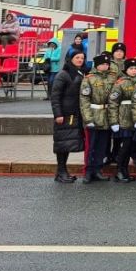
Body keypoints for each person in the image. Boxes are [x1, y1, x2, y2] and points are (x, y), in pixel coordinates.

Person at [51, 49, 86, 183]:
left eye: (82, 58)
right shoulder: (63, 74)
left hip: (75, 114)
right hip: (64, 115)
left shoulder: (80, 73)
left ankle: (62, 171)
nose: (80, 60)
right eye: (77, 57)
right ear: (70, 59)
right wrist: (58, 114)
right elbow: (55, 96)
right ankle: (61, 172)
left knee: (67, 144)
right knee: (62, 144)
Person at [79, 52, 114, 183]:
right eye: (102, 64)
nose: (105, 66)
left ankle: (98, 170)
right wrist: (88, 119)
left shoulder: (112, 78)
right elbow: (84, 100)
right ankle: (88, 171)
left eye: (107, 64)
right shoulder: (89, 79)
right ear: (97, 66)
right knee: (90, 146)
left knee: (102, 146)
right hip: (93, 115)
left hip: (106, 116)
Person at [108, 57, 136, 182]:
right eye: (131, 68)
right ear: (126, 70)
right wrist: (114, 121)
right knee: (125, 146)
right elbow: (113, 102)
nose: (133, 71)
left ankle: (125, 170)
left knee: (132, 146)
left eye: (135, 68)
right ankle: (120, 170)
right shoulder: (120, 83)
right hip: (124, 118)